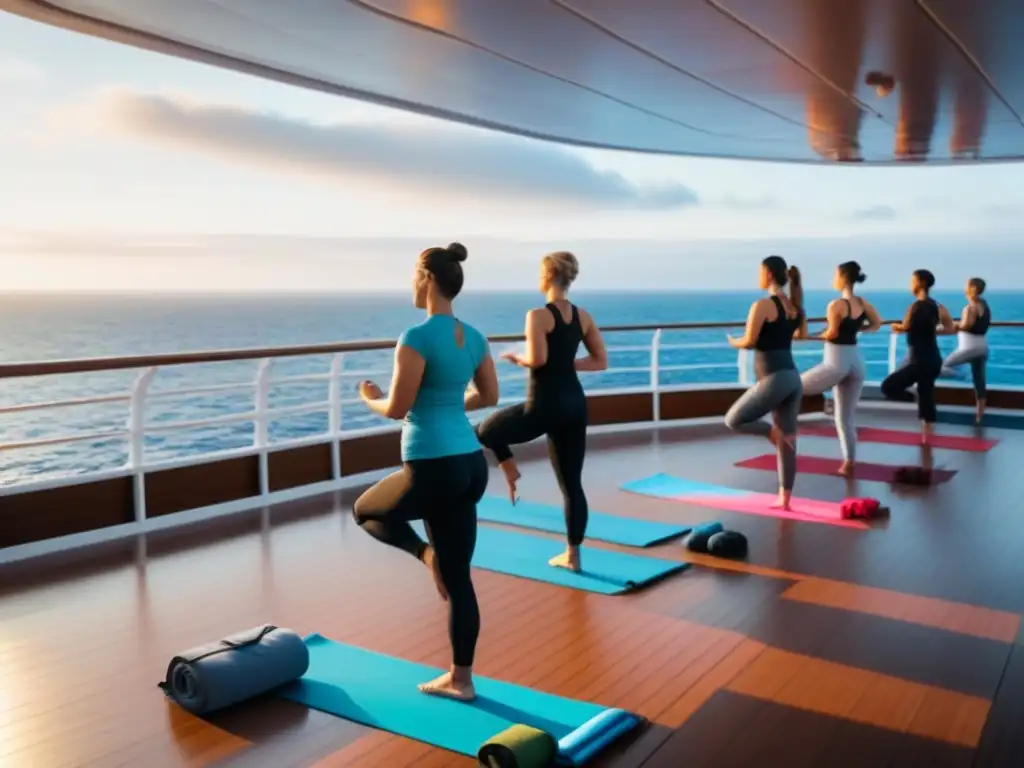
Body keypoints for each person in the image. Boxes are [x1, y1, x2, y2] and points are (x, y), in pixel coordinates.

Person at [353, 242, 499, 702]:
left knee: (365, 511)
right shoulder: (474, 337)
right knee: (462, 582)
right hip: (472, 464)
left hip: (432, 464)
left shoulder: (415, 338)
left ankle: (425, 555)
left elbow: (397, 408)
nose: (411, 285)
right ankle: (462, 679)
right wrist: (448, 403)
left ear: (428, 280)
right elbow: (489, 396)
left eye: (413, 277)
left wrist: (368, 396)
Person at [476, 251, 607, 573]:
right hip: (575, 406)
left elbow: (537, 360)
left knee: (485, 431)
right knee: (572, 486)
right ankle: (573, 556)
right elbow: (600, 361)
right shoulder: (583, 316)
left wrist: (516, 357)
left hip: (545, 405)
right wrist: (566, 363)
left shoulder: (537, 315)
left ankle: (509, 469)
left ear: (547, 277)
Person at [726, 256, 804, 509]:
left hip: (775, 378)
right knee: (789, 440)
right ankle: (785, 499)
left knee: (734, 419)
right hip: (793, 377)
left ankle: (773, 433)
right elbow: (801, 335)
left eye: (760, 271)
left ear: (768, 273)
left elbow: (749, 341)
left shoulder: (762, 305)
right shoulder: (794, 306)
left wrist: (733, 341)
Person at [800, 261, 882, 475]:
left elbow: (832, 334)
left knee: (792, 385)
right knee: (845, 417)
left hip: (836, 363)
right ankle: (849, 463)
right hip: (855, 362)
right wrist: (857, 328)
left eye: (835, 274)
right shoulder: (863, 304)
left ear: (843, 277)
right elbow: (876, 324)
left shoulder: (835, 305)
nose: (832, 279)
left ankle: (781, 430)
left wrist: (807, 336)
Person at [881, 269, 955, 443]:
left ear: (919, 283)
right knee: (926, 393)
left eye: (912, 280)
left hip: (918, 361)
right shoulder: (939, 307)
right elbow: (950, 328)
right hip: (934, 359)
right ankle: (926, 438)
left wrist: (895, 326)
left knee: (888, 387)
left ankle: (913, 397)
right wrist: (932, 331)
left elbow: (905, 327)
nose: (910, 284)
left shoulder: (914, 307)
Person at [940, 277, 990, 423]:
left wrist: (952, 324)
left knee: (941, 365)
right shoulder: (984, 305)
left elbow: (966, 326)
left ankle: (961, 376)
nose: (964, 288)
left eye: (967, 285)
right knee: (979, 382)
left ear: (972, 288)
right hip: (982, 347)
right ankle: (979, 417)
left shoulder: (970, 308)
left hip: (969, 348)